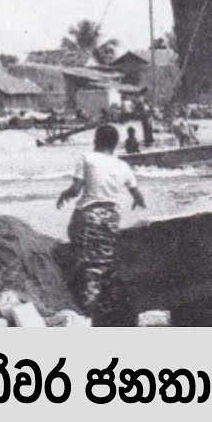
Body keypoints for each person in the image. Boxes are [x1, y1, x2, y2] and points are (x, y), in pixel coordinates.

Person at [56, 124, 146, 325]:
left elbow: (76, 189)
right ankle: (101, 305)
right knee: (103, 262)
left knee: (90, 265)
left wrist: (64, 194)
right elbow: (137, 195)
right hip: (112, 217)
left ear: (96, 140)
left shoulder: (87, 158)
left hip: (89, 216)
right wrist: (138, 202)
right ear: (115, 144)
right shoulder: (122, 165)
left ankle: (89, 312)